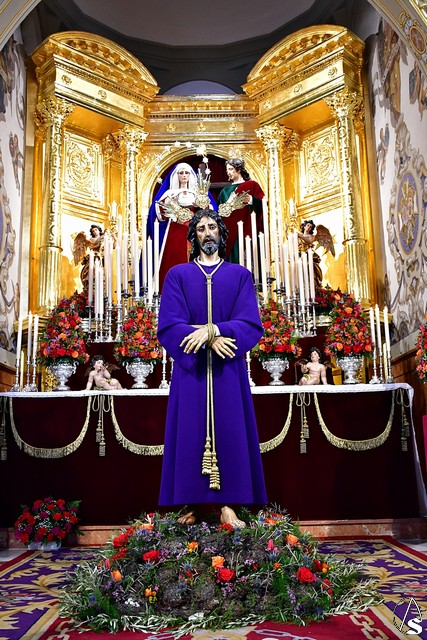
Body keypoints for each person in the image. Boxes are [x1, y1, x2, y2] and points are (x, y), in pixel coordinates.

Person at [157, 208, 267, 528]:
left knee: (230, 429)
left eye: (212, 227)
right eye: (201, 228)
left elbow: (249, 322)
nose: (207, 233)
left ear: (221, 233)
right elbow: (169, 324)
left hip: (227, 369)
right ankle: (191, 503)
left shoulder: (239, 275)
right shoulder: (178, 275)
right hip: (191, 371)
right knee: (190, 431)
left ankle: (228, 504)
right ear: (194, 237)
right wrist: (209, 338)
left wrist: (214, 329)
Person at [146, 162, 217, 291]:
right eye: (181, 173)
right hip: (176, 231)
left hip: (195, 231)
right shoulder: (170, 194)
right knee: (174, 259)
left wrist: (200, 204)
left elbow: (209, 212)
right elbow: (159, 211)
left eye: (187, 173)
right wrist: (171, 205)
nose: (184, 175)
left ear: (190, 175)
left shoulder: (197, 193)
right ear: (176, 176)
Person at [217, 158, 265, 262]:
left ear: (238, 169)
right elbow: (220, 213)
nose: (228, 172)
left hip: (247, 229)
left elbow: (263, 204)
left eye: (230, 169)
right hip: (229, 232)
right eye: (227, 170)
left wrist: (251, 199)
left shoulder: (252, 185)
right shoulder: (224, 191)